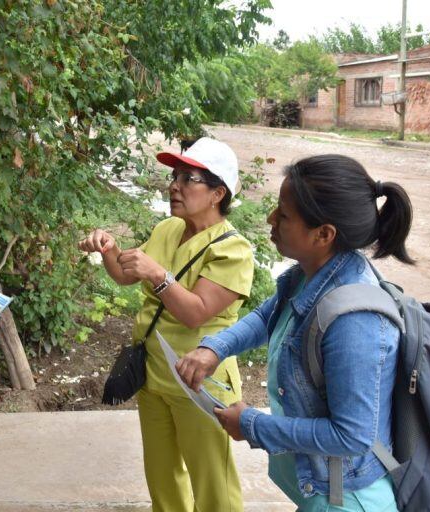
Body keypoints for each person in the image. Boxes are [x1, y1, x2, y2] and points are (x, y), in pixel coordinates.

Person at [177, 154, 411, 511]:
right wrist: (215, 348)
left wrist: (253, 425)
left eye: (283, 215)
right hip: (321, 491)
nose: (271, 219)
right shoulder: (310, 276)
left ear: (324, 234)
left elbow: (352, 436)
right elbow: (268, 316)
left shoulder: (355, 322)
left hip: (346, 500)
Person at [79, 137, 254, 512]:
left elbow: (196, 312)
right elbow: (126, 276)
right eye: (174, 176)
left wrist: (158, 274)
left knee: (213, 484)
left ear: (217, 193)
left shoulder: (231, 249)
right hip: (154, 376)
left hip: (200, 382)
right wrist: (110, 250)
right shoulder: (169, 229)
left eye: (188, 178)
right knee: (162, 476)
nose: (174, 185)